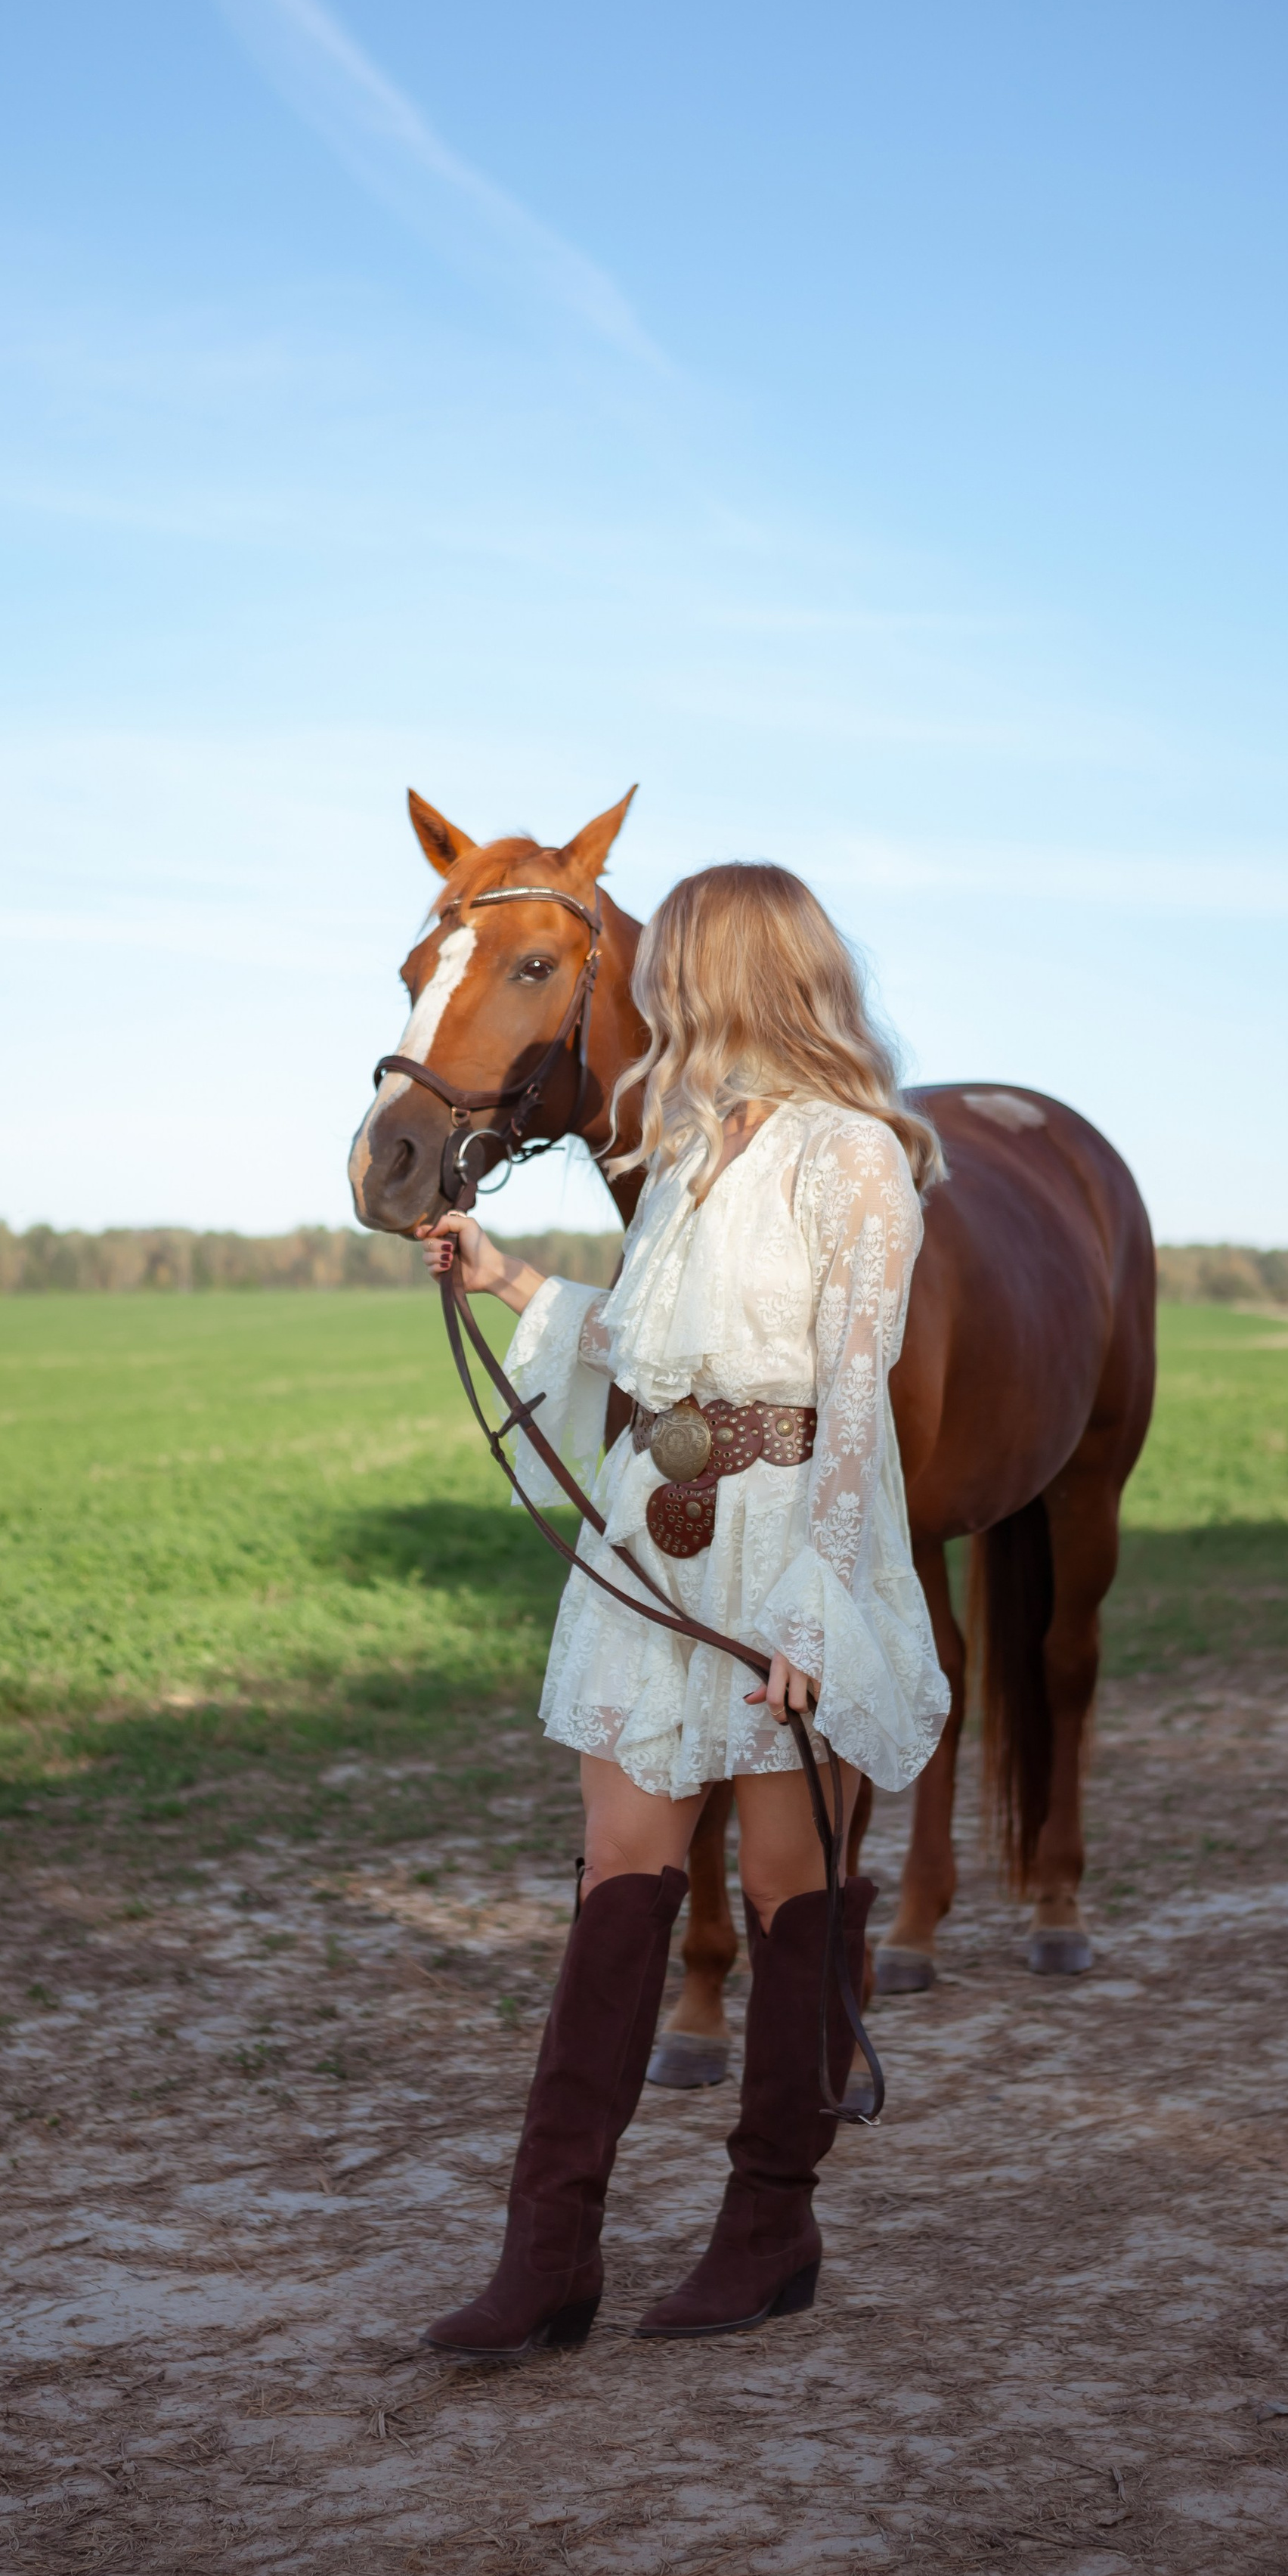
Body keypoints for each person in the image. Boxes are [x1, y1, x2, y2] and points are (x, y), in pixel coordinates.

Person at [416, 860, 952, 2354]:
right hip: (651, 1546)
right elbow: (658, 1357)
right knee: (618, 1882)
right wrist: (513, 1275)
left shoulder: (853, 1158)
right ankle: (547, 2260)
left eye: (676, 964)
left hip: (787, 1543)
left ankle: (770, 2225)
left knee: (791, 1899)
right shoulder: (694, 1138)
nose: (650, 988)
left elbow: (850, 1400)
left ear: (737, 975)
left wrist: (811, 1613)